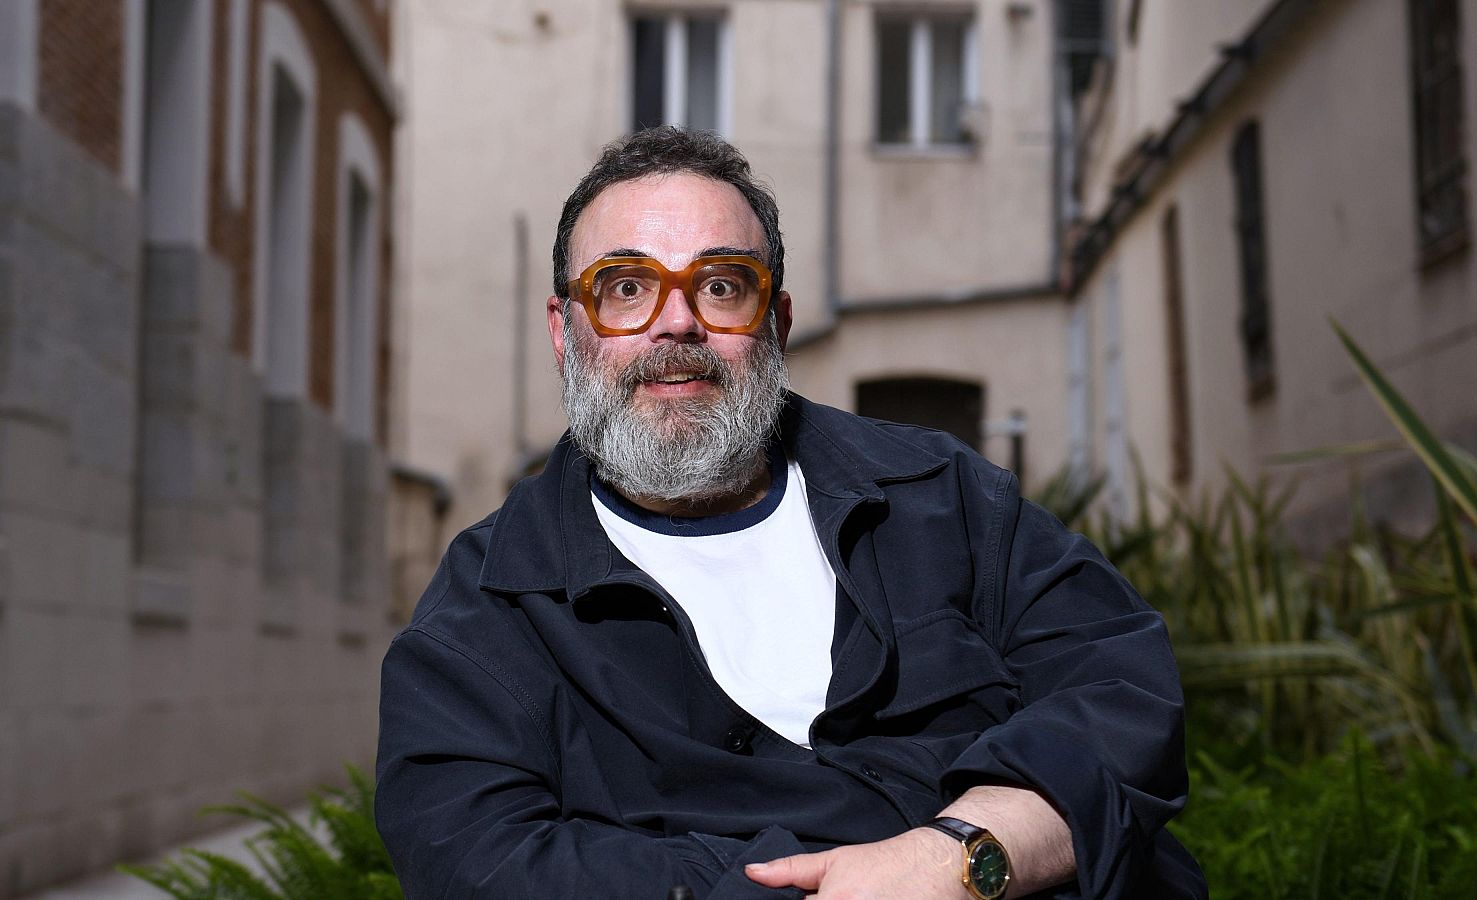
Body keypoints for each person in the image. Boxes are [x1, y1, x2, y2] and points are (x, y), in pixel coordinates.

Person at [375, 127, 1206, 899]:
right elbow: (475, 860)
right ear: (567, 330)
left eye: (722, 286)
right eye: (625, 287)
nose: (677, 324)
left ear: (776, 322)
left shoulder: (942, 497)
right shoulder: (486, 614)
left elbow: (1122, 688)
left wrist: (962, 859)